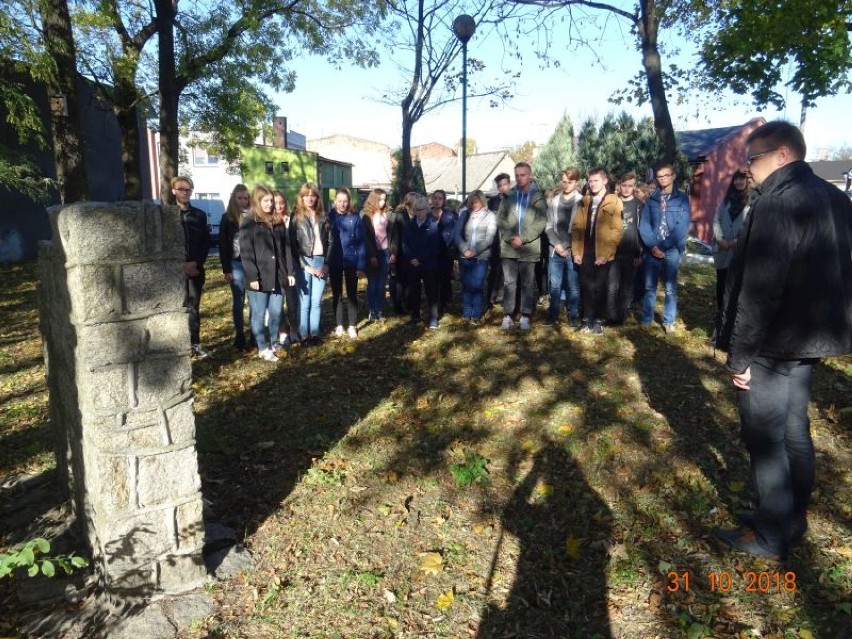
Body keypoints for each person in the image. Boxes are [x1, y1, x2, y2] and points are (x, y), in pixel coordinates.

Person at [714, 120, 852, 559]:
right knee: (794, 430)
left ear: (782, 155)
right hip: (810, 339)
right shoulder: (834, 197)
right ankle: (790, 517)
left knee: (766, 437)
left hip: (773, 342)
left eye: (752, 159)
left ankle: (772, 533)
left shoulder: (778, 202)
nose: (748, 169)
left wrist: (740, 357)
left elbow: (760, 288)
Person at [239, 185, 295, 362]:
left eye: (272, 200)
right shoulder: (249, 222)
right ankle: (262, 347)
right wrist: (252, 277)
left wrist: (289, 272)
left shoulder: (278, 222)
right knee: (259, 314)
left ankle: (272, 343)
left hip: (278, 276)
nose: (270, 204)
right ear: (257, 201)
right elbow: (246, 253)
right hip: (259, 278)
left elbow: (286, 250)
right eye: (266, 201)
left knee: (276, 313)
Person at [638, 163, 691, 332]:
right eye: (660, 176)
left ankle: (669, 321)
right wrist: (653, 246)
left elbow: (681, 226)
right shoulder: (652, 198)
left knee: (670, 287)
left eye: (666, 175)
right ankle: (647, 319)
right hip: (652, 249)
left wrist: (663, 246)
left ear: (673, 176)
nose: (663, 179)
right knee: (649, 286)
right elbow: (644, 224)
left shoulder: (681, 198)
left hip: (672, 249)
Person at [570, 167, 623, 334]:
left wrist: (606, 255)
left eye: (596, 181)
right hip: (585, 251)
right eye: (590, 181)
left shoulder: (613, 201)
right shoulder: (584, 201)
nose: (592, 184)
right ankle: (586, 320)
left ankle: (598, 320)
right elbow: (577, 228)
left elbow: (617, 231)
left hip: (603, 253)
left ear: (605, 180)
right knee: (585, 286)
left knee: (600, 287)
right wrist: (576, 252)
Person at [497, 162, 548, 331]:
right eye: (517, 175)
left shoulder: (538, 197)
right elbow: (500, 219)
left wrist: (523, 238)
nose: (519, 178)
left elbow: (541, 221)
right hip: (509, 247)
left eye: (523, 175)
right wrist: (511, 237)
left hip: (529, 247)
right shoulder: (508, 196)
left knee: (527, 283)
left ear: (530, 175)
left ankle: (525, 315)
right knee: (509, 283)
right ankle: (508, 314)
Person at [173, 176, 211, 358]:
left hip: (196, 268)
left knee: (193, 307)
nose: (185, 192)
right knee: (177, 308)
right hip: (175, 271)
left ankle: (195, 344)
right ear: (173, 191)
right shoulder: (168, 215)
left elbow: (205, 242)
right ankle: (178, 346)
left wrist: (195, 263)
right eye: (181, 189)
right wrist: (180, 265)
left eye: (188, 189)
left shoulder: (200, 215)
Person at [711, 169, 750, 339]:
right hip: (722, 249)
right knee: (721, 286)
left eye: (742, 180)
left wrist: (734, 242)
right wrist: (720, 238)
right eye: (736, 180)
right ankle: (720, 321)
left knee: (735, 288)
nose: (739, 183)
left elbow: (750, 226)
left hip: (738, 252)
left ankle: (732, 325)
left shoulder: (753, 201)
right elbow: (716, 220)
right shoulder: (726, 200)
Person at [290, 182, 329, 344]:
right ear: (302, 198)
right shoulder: (296, 217)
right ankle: (304, 336)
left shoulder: (323, 216)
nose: (310, 198)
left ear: (317, 198)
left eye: (313, 195)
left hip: (321, 260)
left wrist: (326, 263)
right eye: (306, 195)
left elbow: (331, 242)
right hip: (304, 262)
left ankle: (314, 334)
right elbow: (292, 246)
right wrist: (306, 266)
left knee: (316, 302)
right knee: (305, 302)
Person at [327, 188, 366, 339]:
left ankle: (352, 325)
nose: (343, 204)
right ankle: (338, 325)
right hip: (334, 261)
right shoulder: (328, 217)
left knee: (351, 294)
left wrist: (361, 265)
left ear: (349, 202)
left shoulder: (355, 218)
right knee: (337, 294)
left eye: (345, 201)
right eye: (340, 201)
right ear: (334, 201)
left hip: (351, 261)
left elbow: (361, 243)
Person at [546, 167, 582, 326]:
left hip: (573, 251)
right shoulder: (554, 201)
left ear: (577, 182)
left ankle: (573, 314)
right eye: (564, 181)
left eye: (570, 182)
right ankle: (553, 314)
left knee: (573, 286)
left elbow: (581, 229)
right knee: (554, 285)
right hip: (556, 250)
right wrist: (557, 245)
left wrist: (568, 247)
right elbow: (548, 227)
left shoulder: (582, 201)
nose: (566, 184)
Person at [455, 190, 497, 323]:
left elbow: (489, 238)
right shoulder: (465, 214)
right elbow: (457, 234)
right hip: (464, 256)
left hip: (481, 257)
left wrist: (474, 251)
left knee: (477, 285)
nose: (473, 204)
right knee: (467, 286)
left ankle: (476, 314)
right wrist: (464, 249)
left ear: (482, 201)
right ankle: (467, 314)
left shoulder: (490, 216)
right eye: (471, 202)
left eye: (476, 202)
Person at [218, 184, 251, 351]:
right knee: (238, 300)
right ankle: (239, 335)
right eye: (240, 198)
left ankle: (254, 334)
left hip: (252, 264)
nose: (243, 201)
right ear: (234, 199)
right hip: (236, 263)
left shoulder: (254, 216)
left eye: (246, 198)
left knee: (254, 301)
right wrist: (226, 270)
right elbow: (223, 245)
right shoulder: (227, 217)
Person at [608, 172, 643, 325]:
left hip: (630, 252)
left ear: (634, 186)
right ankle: (610, 315)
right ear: (619, 186)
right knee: (611, 286)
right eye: (624, 185)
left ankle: (620, 318)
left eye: (630, 186)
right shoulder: (613, 203)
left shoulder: (639, 205)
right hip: (613, 251)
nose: (627, 189)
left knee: (626, 287)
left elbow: (640, 230)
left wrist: (639, 254)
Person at [402, 193, 442, 329]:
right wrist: (411, 258)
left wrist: (420, 259)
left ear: (427, 209)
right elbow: (405, 243)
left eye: (422, 209)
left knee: (431, 291)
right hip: (412, 264)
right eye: (416, 210)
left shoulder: (433, 225)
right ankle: (415, 316)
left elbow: (434, 246)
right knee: (414, 291)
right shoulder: (409, 224)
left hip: (428, 264)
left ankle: (433, 318)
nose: (419, 212)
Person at [273, 190, 301, 347]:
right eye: (275, 203)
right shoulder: (269, 221)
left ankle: (294, 330)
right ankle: (283, 332)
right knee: (278, 304)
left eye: (281, 202)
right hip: (276, 268)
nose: (278, 206)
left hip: (292, 264)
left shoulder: (291, 219)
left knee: (292, 302)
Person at [361, 188, 391, 321]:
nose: (383, 202)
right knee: (372, 283)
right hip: (372, 253)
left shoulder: (387, 213)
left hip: (385, 251)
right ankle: (372, 310)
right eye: (380, 199)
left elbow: (391, 233)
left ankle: (379, 310)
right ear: (374, 199)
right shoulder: (366, 215)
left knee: (381, 283)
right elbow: (366, 237)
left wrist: (392, 251)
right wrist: (372, 255)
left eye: (385, 199)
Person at [430, 190, 457, 316]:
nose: (437, 201)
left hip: (445, 253)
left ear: (444, 200)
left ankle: (443, 303)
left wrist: (441, 246)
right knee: (432, 280)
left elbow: (452, 234)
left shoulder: (449, 215)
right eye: (435, 198)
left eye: (440, 198)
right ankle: (434, 304)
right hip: (430, 253)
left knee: (444, 279)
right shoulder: (427, 214)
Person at [486, 173, 511, 308]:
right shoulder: (492, 201)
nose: (502, 187)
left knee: (508, 273)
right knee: (494, 271)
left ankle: (505, 297)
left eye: (505, 184)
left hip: (509, 242)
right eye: (500, 185)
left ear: (509, 184)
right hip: (495, 242)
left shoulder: (514, 200)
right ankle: (490, 297)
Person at [388, 194, 413, 315]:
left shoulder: (405, 214)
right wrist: (394, 253)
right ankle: (398, 305)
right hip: (401, 253)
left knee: (404, 280)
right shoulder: (401, 215)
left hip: (404, 252)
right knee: (400, 281)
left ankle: (405, 303)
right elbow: (396, 236)